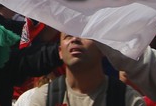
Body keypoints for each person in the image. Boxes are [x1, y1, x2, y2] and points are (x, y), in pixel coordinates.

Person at [14, 33, 143, 106]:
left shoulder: (128, 100)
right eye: (68, 36)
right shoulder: (42, 99)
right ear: (60, 52)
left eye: (85, 35)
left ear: (103, 48)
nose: (75, 39)